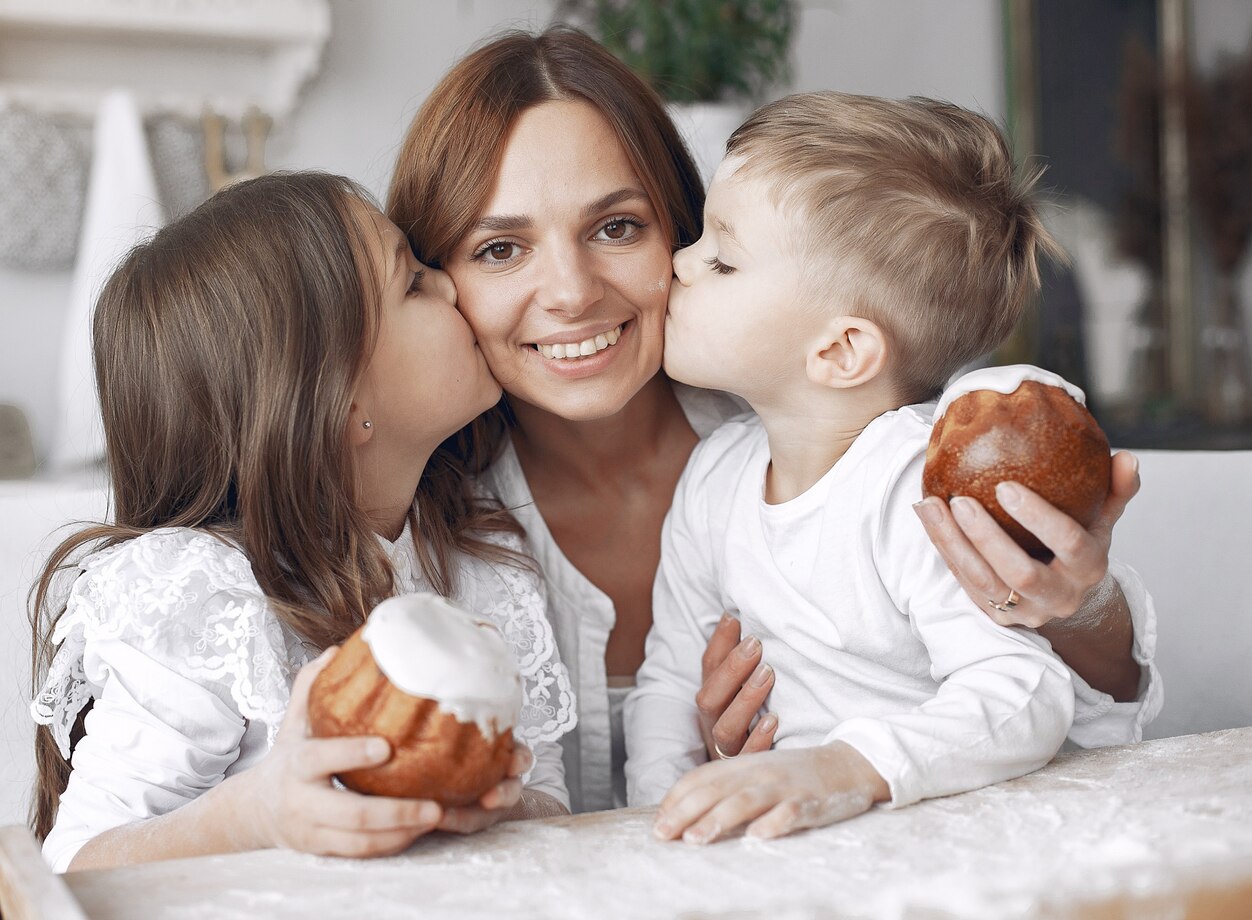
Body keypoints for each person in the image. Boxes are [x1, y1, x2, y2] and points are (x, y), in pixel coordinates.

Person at [388, 27, 1159, 815]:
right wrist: (684, 801)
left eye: (618, 227)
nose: (572, 293)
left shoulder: (902, 464)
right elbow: (666, 692)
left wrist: (1080, 604)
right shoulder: (416, 516)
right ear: (434, 278)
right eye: (500, 249)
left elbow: (1040, 696)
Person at [27, 171, 576, 873]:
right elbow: (74, 869)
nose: (450, 283)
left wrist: (504, 808)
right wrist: (255, 816)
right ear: (343, 404)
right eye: (413, 282)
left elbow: (553, 804)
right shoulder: (207, 600)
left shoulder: (477, 560)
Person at [626, 91, 1087, 841]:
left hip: (945, 842)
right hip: (792, 845)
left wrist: (845, 768)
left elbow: (1024, 693)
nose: (678, 262)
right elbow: (671, 679)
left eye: (723, 260)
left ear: (839, 351)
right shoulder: (713, 478)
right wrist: (658, 816)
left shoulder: (915, 491)